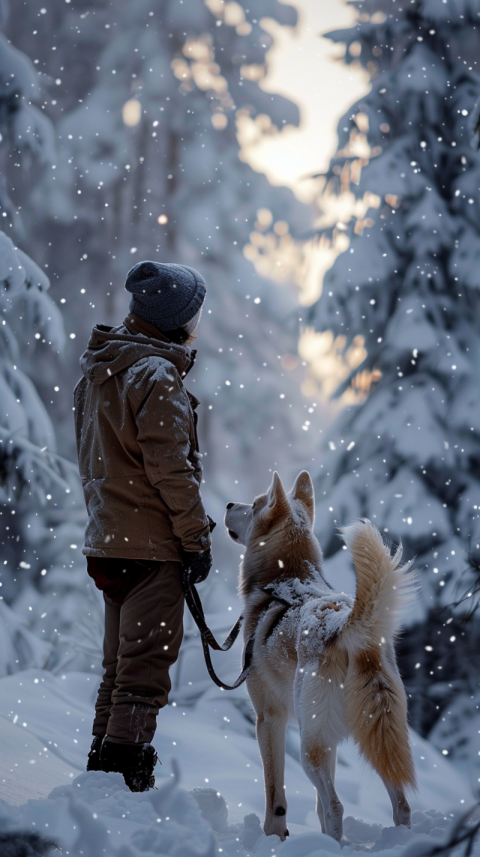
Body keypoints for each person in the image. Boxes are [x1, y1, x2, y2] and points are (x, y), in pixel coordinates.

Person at [74, 261, 213, 792]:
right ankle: (124, 781)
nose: (197, 322)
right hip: (152, 549)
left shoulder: (100, 370)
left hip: (109, 543)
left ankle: (99, 779)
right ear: (175, 318)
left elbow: (100, 462)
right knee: (144, 674)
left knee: (118, 670)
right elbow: (171, 471)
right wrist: (195, 539)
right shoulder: (155, 374)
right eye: (194, 313)